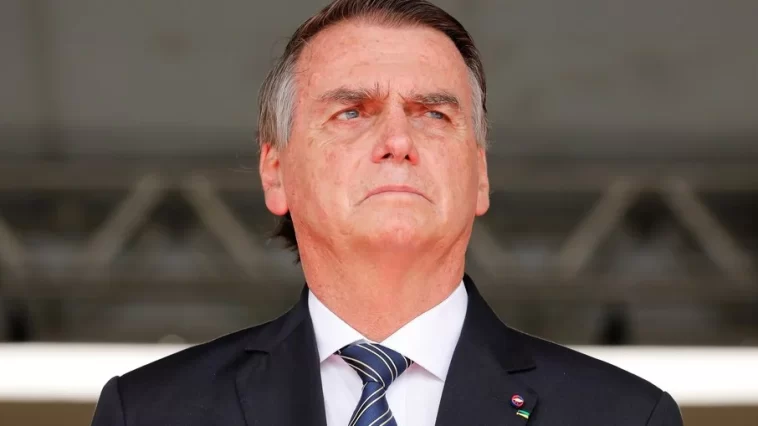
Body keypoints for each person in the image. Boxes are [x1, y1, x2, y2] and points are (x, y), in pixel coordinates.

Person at [91, 0, 683, 424]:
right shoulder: (148, 412)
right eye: (351, 112)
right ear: (275, 172)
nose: (398, 140)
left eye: (434, 114)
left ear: (480, 175)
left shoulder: (627, 416)